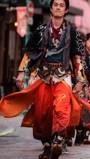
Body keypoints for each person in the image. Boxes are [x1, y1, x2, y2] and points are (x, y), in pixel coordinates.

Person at [0, 0, 85, 158]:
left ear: (66, 10)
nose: (58, 8)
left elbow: (78, 58)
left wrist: (80, 80)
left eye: (61, 5)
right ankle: (47, 146)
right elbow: (29, 53)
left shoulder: (73, 32)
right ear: (51, 8)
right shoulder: (40, 30)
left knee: (63, 110)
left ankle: (58, 141)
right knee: (42, 114)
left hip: (63, 76)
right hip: (43, 76)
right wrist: (20, 72)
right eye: (55, 5)